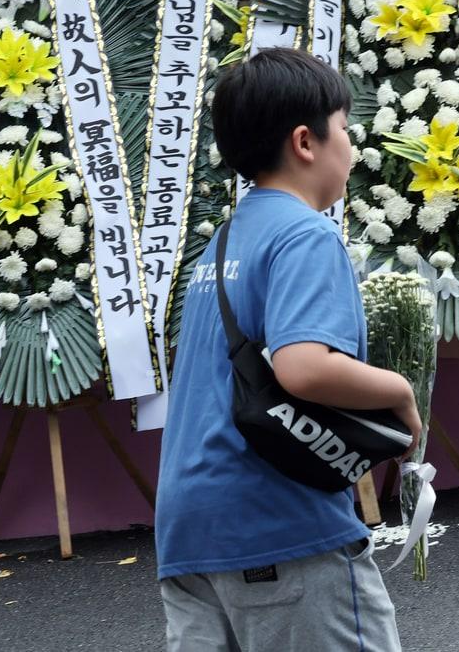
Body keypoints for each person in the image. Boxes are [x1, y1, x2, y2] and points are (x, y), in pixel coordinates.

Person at [155, 47, 421, 652]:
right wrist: (401, 392)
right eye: (346, 132)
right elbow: (304, 367)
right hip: (278, 522)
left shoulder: (224, 242)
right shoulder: (305, 233)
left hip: (190, 535)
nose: (351, 151)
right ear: (306, 142)